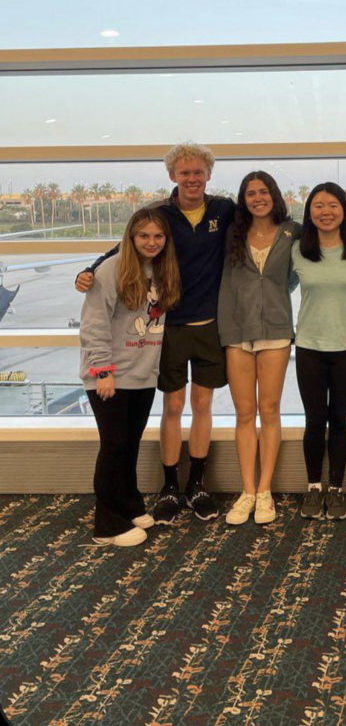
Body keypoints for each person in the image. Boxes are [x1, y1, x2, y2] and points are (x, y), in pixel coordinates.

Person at [76, 143, 235, 524]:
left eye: (198, 172)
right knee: (173, 407)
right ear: (173, 176)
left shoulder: (224, 210)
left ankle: (196, 484)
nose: (192, 178)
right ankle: (169, 486)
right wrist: (91, 269)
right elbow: (126, 246)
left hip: (211, 326)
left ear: (208, 175)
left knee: (202, 407)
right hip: (170, 328)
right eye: (185, 173)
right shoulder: (160, 216)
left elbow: (262, 226)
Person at [80, 208, 181, 546]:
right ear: (131, 237)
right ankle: (107, 525)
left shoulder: (160, 271)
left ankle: (129, 503)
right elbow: (94, 324)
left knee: (129, 445)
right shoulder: (110, 269)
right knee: (113, 446)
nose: (151, 242)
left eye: (157, 236)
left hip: (141, 376)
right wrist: (103, 371)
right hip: (110, 376)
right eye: (143, 236)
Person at [217, 172, 301, 526]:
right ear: (243, 199)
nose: (257, 198)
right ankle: (247, 491)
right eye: (250, 193)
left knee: (269, 409)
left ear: (274, 194)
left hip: (276, 330)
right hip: (237, 329)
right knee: (244, 412)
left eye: (263, 191)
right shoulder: (232, 233)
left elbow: (303, 270)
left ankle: (265, 490)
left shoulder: (292, 231)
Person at [291, 182, 346, 521]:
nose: (326, 211)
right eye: (318, 205)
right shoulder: (298, 250)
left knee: (340, 419)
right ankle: (312, 487)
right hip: (308, 346)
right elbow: (279, 290)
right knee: (313, 420)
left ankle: (335, 489)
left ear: (344, 209)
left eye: (333, 205)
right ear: (310, 212)